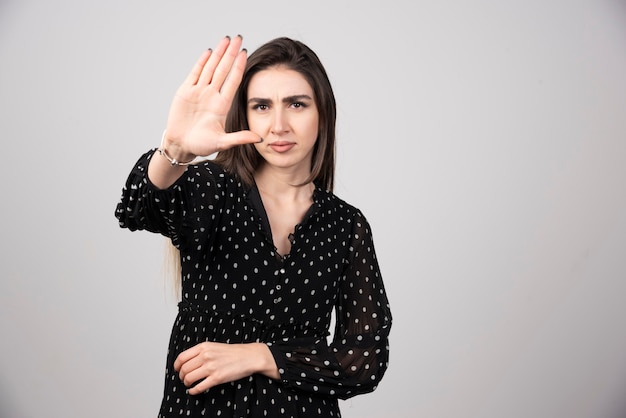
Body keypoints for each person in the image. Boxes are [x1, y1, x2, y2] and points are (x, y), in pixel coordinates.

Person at [115, 35, 392, 418]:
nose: (279, 125)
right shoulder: (212, 191)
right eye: (262, 106)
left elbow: (363, 360)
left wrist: (261, 356)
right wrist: (175, 150)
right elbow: (138, 208)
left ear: (322, 114)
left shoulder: (345, 226)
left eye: (296, 104)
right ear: (244, 115)